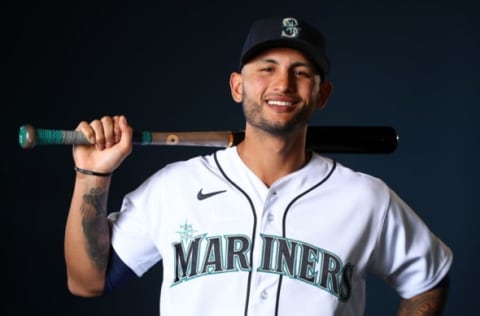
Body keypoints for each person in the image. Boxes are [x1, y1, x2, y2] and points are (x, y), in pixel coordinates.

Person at [64, 16, 453, 315]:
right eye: (266, 68)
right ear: (237, 86)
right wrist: (93, 174)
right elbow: (86, 281)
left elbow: (430, 279)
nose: (282, 83)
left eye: (301, 72)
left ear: (322, 95)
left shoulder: (365, 198)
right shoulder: (174, 187)